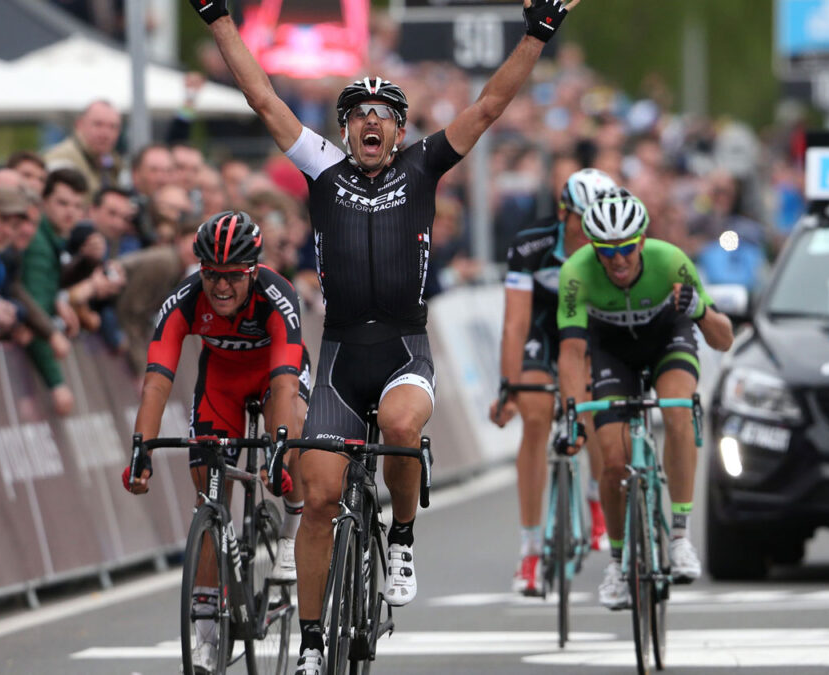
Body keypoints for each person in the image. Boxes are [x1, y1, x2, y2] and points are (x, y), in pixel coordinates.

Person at [190, 0, 581, 670]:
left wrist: (538, 32)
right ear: (343, 130)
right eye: (358, 114)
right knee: (317, 499)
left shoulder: (423, 165)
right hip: (341, 353)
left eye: (384, 114)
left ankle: (400, 536)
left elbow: (488, 105)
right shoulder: (321, 168)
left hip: (404, 346)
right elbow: (261, 95)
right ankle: (313, 644)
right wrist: (218, 17)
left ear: (400, 130)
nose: (371, 121)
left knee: (402, 426)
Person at [123, 211, 309, 673]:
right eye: (211, 276)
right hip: (221, 383)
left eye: (231, 277)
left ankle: (291, 529)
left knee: (293, 439)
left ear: (251, 271)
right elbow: (156, 382)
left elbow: (286, 385)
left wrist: (280, 447)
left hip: (275, 377)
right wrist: (140, 447)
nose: (220, 287)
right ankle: (207, 630)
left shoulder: (276, 295)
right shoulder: (184, 300)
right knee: (207, 490)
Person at [556, 187, 734, 609]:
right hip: (611, 352)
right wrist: (570, 411)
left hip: (666, 340)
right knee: (614, 461)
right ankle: (619, 563)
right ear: (593, 248)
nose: (617, 260)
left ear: (642, 241)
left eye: (626, 249)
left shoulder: (671, 260)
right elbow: (571, 352)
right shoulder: (576, 272)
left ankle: (679, 536)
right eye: (606, 251)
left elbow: (723, 338)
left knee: (676, 412)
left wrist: (700, 311)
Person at [490, 168, 615, 596]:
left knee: (595, 404)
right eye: (585, 220)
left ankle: (598, 500)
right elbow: (516, 323)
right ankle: (530, 550)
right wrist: (508, 387)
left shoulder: (608, 246)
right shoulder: (531, 245)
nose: (593, 232)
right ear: (564, 213)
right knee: (536, 414)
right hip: (542, 329)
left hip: (590, 328)